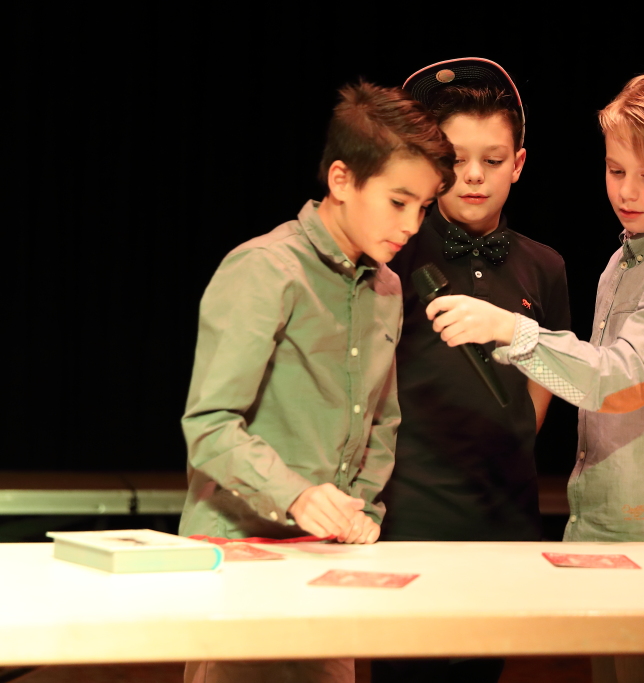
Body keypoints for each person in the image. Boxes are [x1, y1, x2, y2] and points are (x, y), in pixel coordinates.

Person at [426, 73, 644, 683]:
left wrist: (508, 329)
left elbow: (620, 381)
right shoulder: (624, 259)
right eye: (615, 169)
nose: (627, 190)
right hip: (604, 517)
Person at [178, 81, 455, 683]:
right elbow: (210, 426)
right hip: (241, 553)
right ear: (341, 180)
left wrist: (363, 507)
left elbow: (381, 418)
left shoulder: (386, 287)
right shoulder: (265, 270)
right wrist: (297, 495)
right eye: (398, 201)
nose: (412, 225)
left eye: (424, 207)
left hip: (327, 557)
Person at [372, 58, 571, 683]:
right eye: (457, 160)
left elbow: (549, 370)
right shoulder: (397, 251)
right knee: (405, 670)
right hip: (409, 509)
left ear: (519, 163)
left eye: (493, 159)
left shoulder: (545, 266)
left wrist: (511, 435)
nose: (475, 175)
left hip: (504, 509)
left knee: (482, 668)